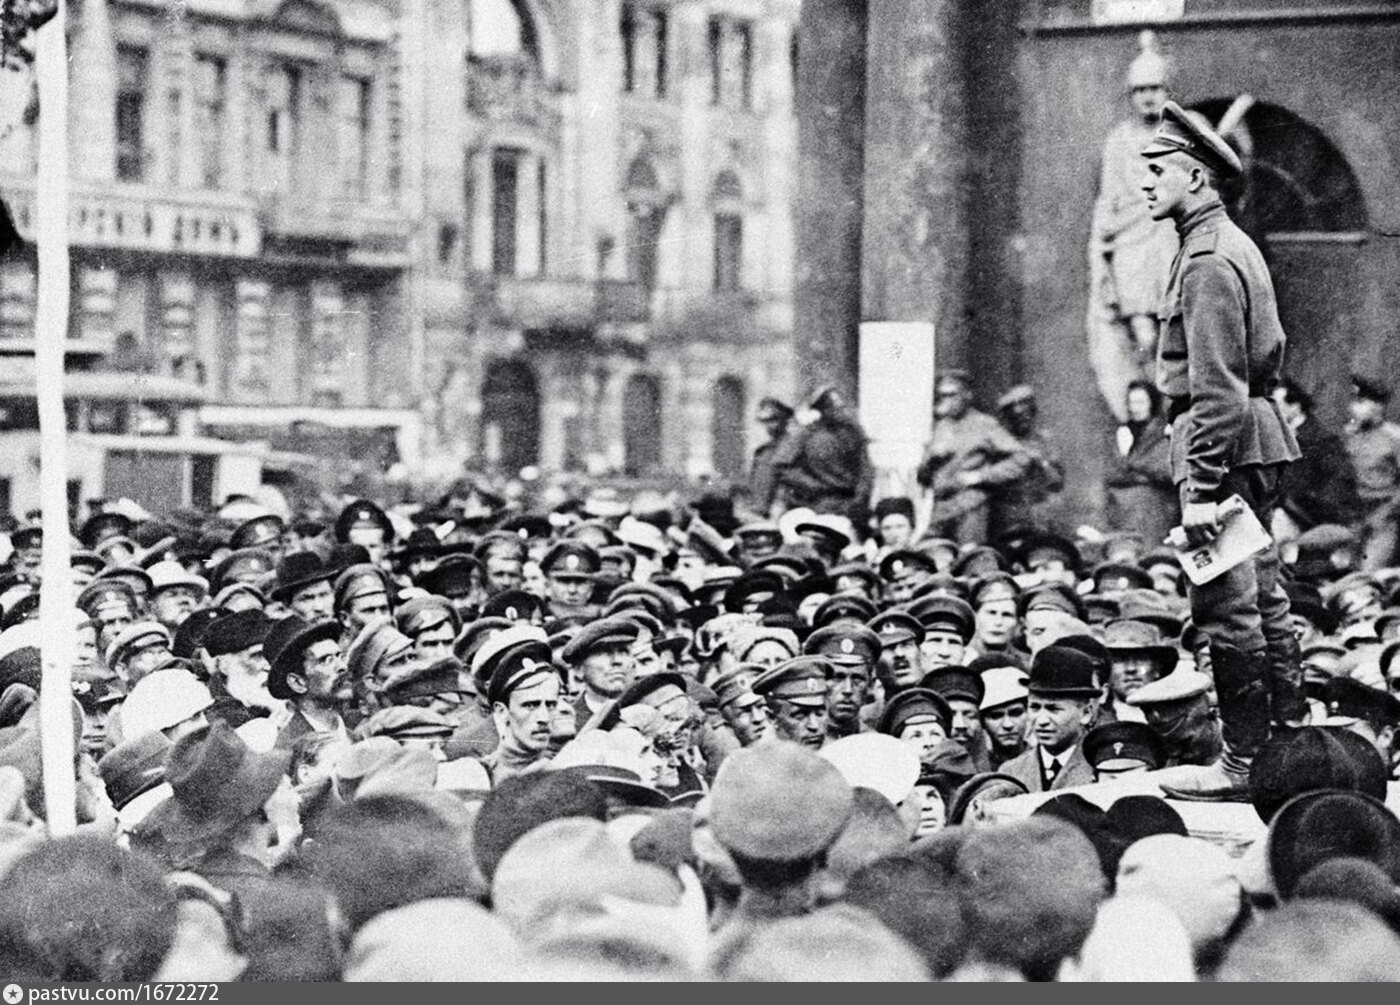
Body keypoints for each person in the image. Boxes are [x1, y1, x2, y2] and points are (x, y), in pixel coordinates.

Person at [1141, 101, 1303, 800]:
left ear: (1198, 178)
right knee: (1263, 597)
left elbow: (1217, 390)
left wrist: (1199, 490)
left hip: (1224, 447)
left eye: (1158, 170)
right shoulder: (1224, 244)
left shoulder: (1207, 260)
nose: (1145, 183)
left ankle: (1242, 760)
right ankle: (1289, 740)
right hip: (1250, 441)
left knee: (1228, 608)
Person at [1087, 29, 1179, 416]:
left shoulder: (1182, 131)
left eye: (1155, 88)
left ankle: (1175, 407)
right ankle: (1150, 409)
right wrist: (1101, 255)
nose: (1148, 96)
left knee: (1175, 331)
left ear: (1166, 90)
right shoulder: (1119, 140)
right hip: (1131, 244)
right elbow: (1110, 200)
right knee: (1144, 334)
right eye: (1140, 89)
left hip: (1170, 241)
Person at [916, 370, 1030, 544]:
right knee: (933, 554)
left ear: (967, 395)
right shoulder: (940, 427)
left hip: (969, 505)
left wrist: (980, 476)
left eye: (952, 395)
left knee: (968, 557)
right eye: (943, 396)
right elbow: (923, 478)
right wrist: (931, 461)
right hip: (941, 508)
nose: (947, 401)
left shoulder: (984, 424)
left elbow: (1022, 458)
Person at [1000, 645, 1100, 793]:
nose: (1041, 721)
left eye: (1053, 709)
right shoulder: (1010, 772)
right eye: (1034, 707)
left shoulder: (1101, 768)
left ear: (1086, 714)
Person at [771, 386, 874, 527]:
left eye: (841, 407)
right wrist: (809, 486)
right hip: (819, 503)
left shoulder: (852, 433)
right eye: (834, 408)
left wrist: (859, 500)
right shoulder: (807, 433)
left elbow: (866, 471)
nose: (841, 411)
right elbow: (781, 465)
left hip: (851, 503)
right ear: (823, 411)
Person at [1271, 379, 1360, 539]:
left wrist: (1308, 505)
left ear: (1295, 407)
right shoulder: (1275, 434)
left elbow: (1338, 481)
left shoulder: (1322, 441)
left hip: (1300, 515)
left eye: (1277, 405)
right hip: (1272, 507)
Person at [1104, 379, 1178, 549]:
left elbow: (1167, 468)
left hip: (1156, 508)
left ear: (1152, 403)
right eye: (1131, 402)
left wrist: (1133, 464)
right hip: (1123, 509)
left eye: (1140, 402)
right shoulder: (1122, 432)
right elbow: (1111, 471)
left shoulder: (1163, 432)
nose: (1135, 408)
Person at [991, 385, 1065, 537]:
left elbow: (1057, 481)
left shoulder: (1045, 441)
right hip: (1008, 514)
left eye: (1025, 414)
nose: (1022, 419)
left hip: (1039, 513)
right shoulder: (998, 442)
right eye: (1015, 416)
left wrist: (1041, 461)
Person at [1344, 374, 1400, 571]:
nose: (1353, 408)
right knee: (1345, 572)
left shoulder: (1394, 438)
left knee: (1369, 574)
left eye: (1360, 402)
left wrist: (1385, 513)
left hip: (1384, 516)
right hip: (1354, 514)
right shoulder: (1351, 435)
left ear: (1378, 406)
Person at [748, 398, 795, 518]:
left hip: (786, 511)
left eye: (774, 420)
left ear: (785, 420)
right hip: (762, 511)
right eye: (766, 421)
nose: (770, 426)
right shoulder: (764, 452)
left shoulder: (794, 447)